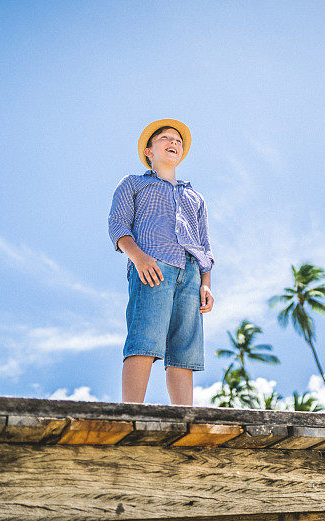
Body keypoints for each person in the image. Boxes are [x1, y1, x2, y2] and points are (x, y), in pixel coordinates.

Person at [108, 118, 214, 405]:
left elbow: (205, 246)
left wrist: (205, 283)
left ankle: (184, 419)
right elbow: (118, 226)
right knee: (144, 338)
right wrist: (139, 258)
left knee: (184, 351)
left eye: (178, 141)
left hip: (190, 274)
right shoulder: (133, 184)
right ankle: (130, 412)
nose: (173, 143)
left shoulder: (195, 196)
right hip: (152, 267)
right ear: (149, 151)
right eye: (165, 138)